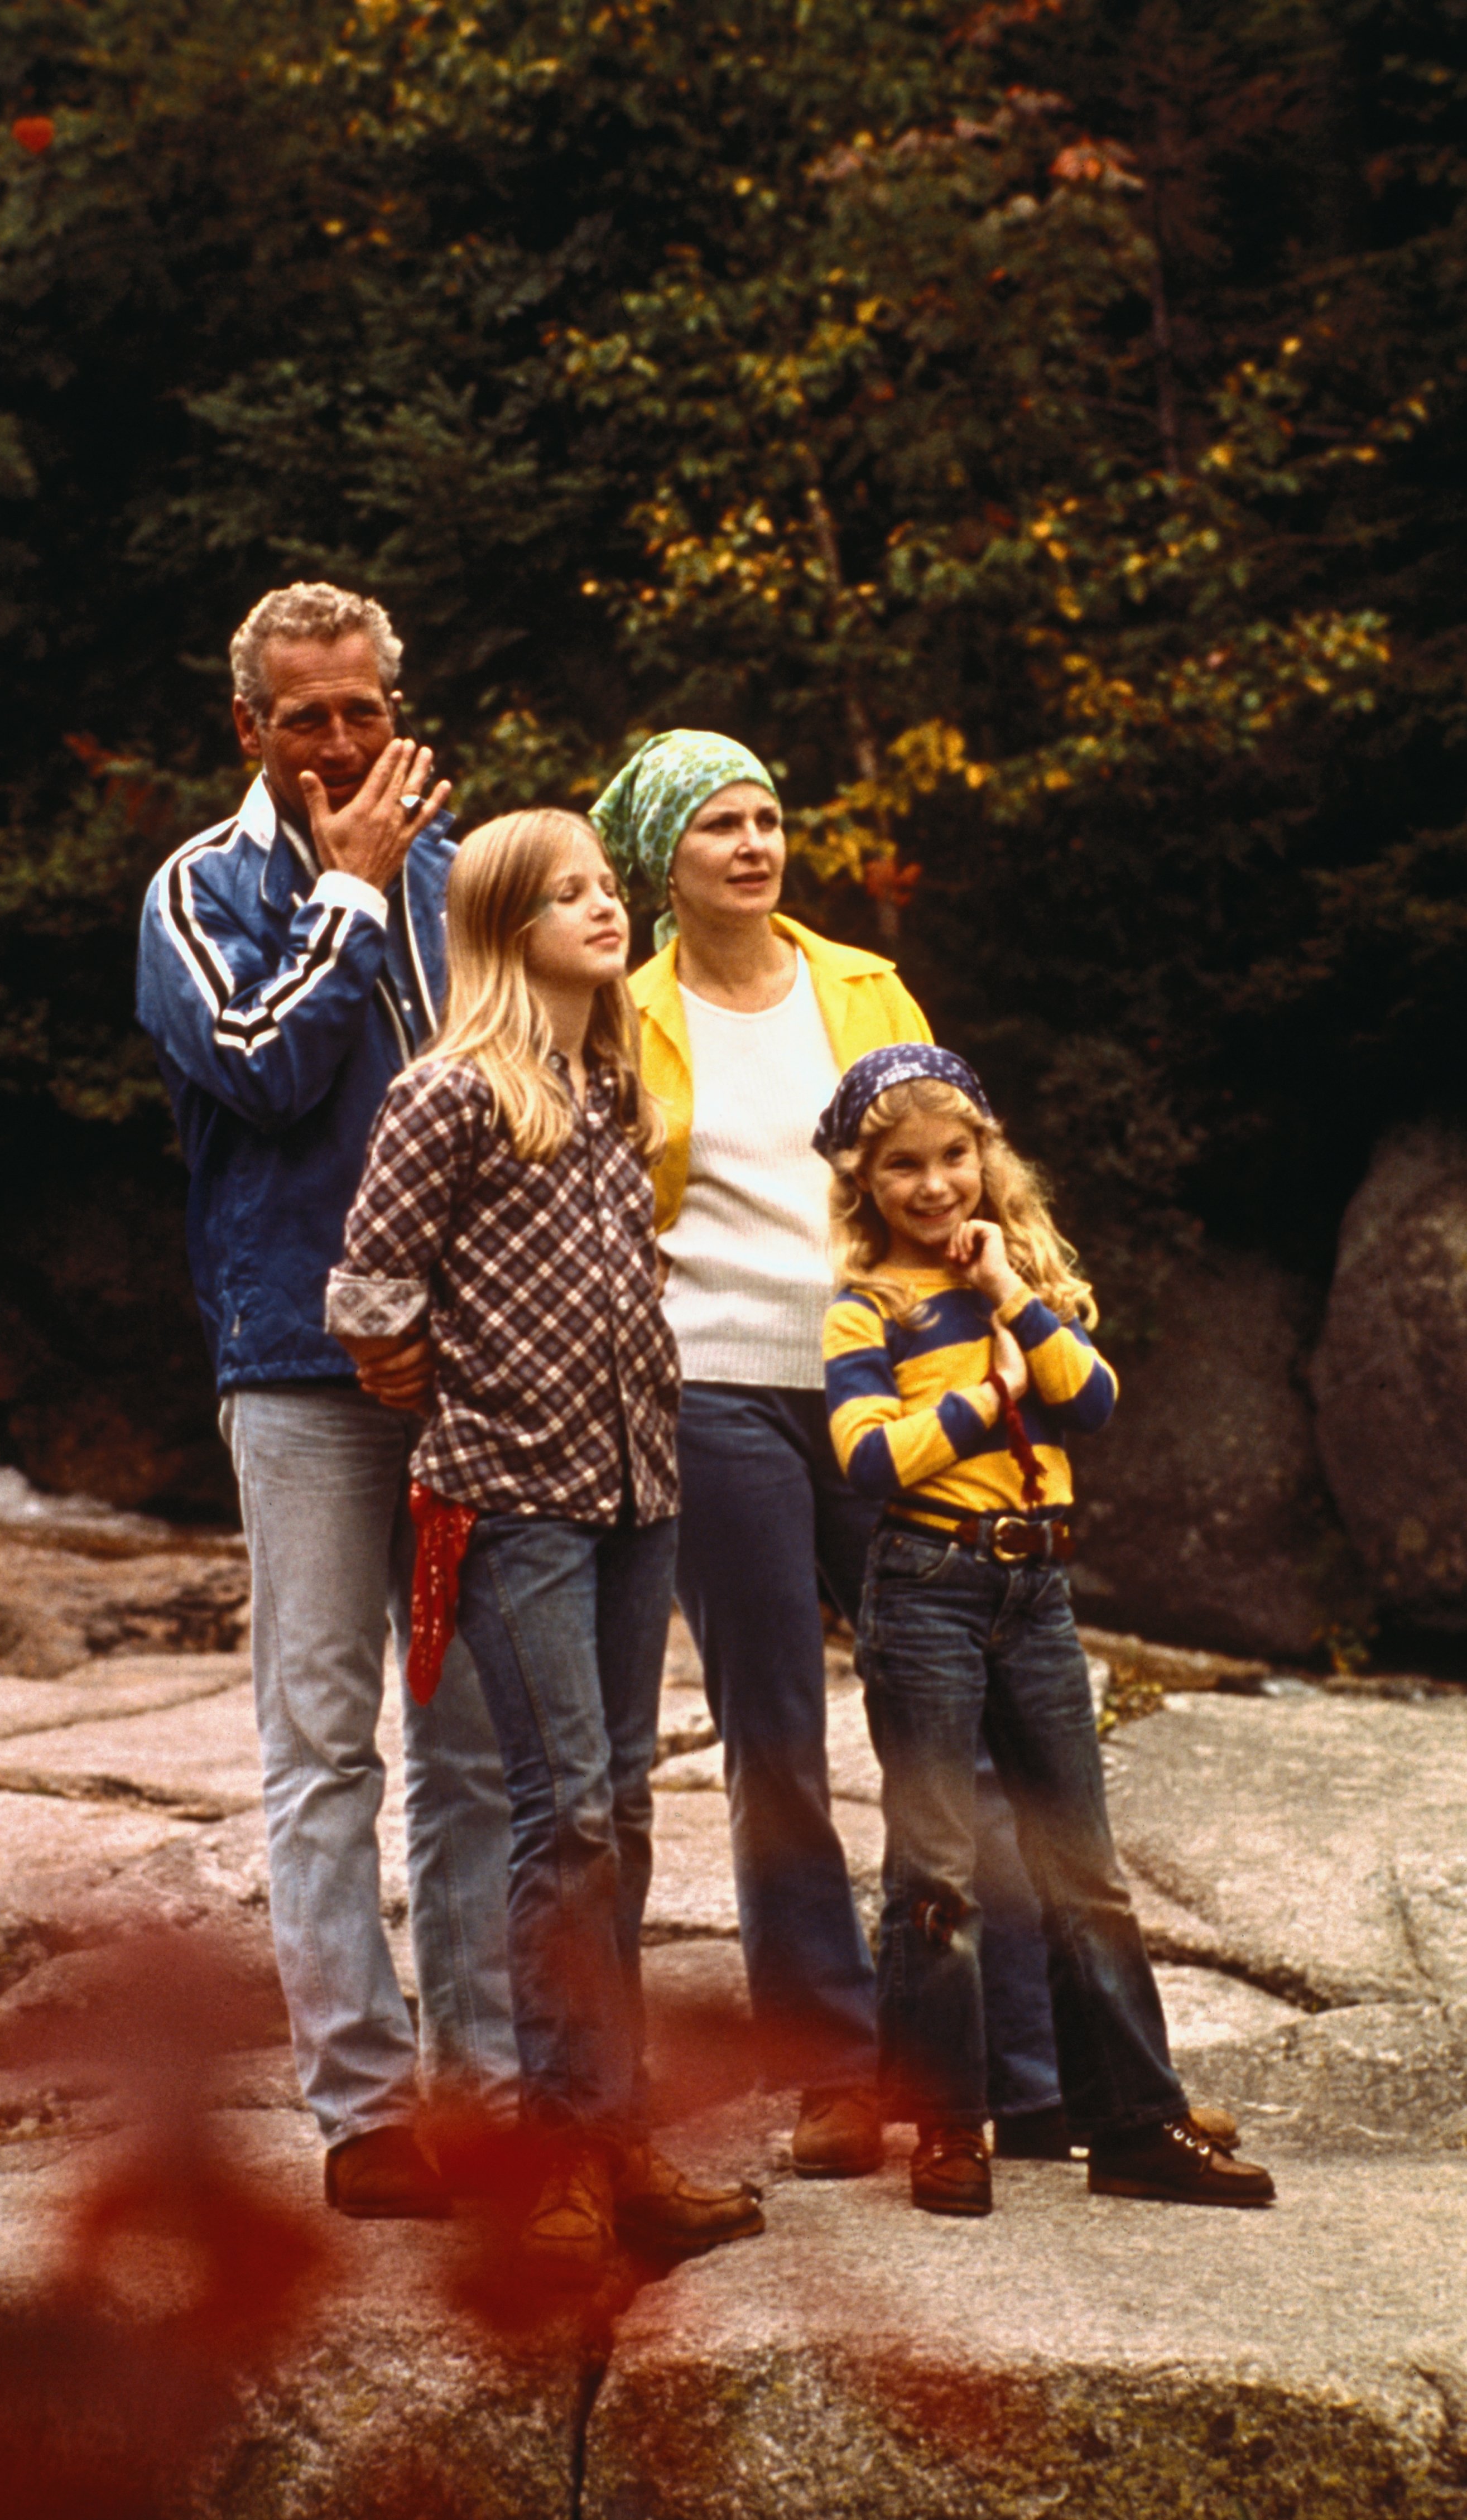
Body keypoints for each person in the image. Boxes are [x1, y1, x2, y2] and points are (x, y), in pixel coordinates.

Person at [591, 730, 1068, 2177]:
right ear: (662, 862)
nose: (754, 844)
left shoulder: (863, 986)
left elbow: (951, 1165)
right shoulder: (620, 1010)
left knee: (961, 1721)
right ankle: (829, 2070)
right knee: (775, 1743)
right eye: (719, 826)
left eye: (767, 817)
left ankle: (1011, 2068)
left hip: (888, 1385)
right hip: (714, 1393)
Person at [326, 807, 763, 2281]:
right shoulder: (451, 1090)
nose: (602, 908)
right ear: (507, 928)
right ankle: (559, 2156)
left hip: (640, 1484)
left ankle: (616, 2133)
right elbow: (367, 1285)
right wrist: (435, 1389)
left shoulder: (608, 1078)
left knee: (623, 1812)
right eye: (565, 893)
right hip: (510, 1493)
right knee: (560, 1811)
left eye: (604, 886)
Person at [136, 581, 516, 2217]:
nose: (342, 742)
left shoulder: (460, 876)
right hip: (294, 1373)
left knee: (472, 1742)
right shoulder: (198, 889)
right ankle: (364, 2114)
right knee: (317, 1745)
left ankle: (488, 2095)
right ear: (251, 727)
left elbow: (517, 1096)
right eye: (307, 716)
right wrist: (351, 896)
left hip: (464, 1376)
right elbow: (265, 1068)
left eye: (364, 709)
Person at [818, 1043, 1274, 2215]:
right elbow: (869, 1457)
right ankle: (947, 2124)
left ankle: (1132, 2120)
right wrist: (985, 1395)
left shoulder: (1014, 1281)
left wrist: (1010, 1299)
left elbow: (1095, 1398)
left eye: (954, 1156)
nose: (934, 1185)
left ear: (987, 1157)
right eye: (904, 1166)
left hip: (1037, 1595)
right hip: (924, 1586)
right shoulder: (865, 1307)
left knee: (1085, 1865)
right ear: (865, 1182)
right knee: (937, 1867)